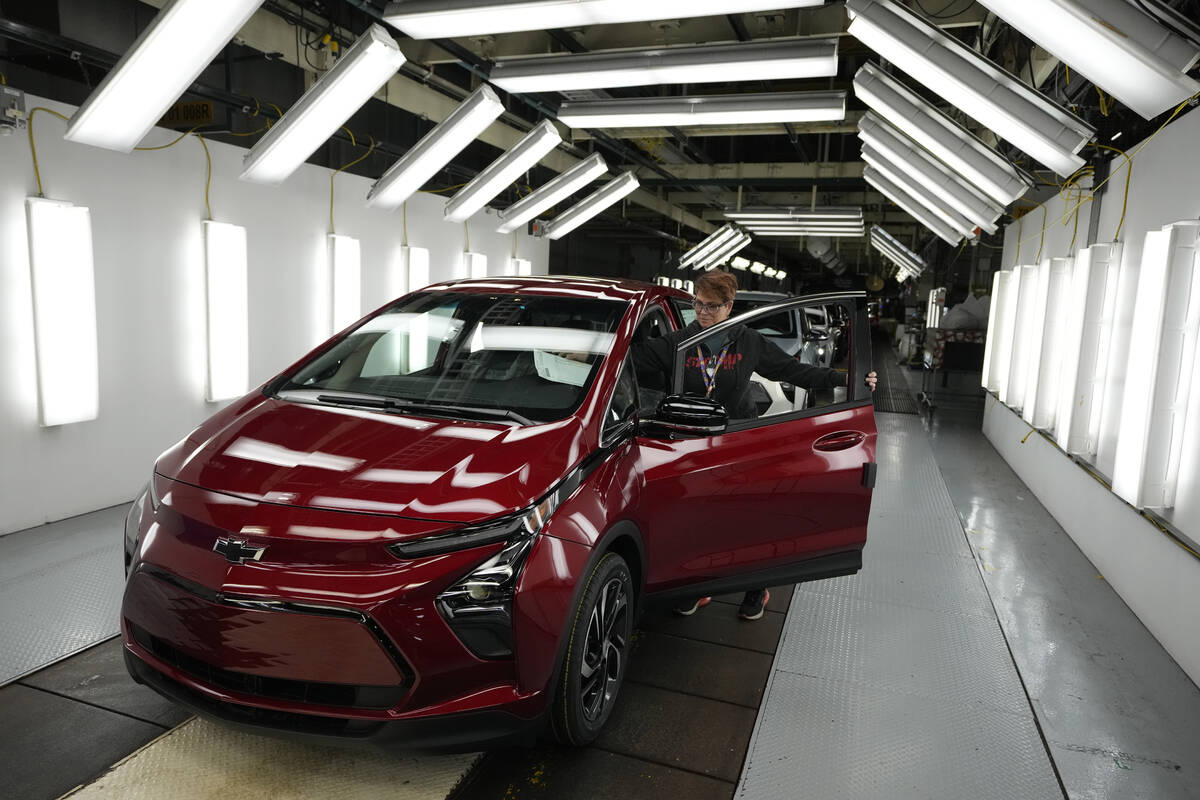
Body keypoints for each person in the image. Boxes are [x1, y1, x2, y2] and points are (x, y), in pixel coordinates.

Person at [635, 269, 877, 620]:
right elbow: (632, 357)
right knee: (697, 517)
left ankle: (756, 587)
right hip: (692, 442)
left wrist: (847, 378)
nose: (702, 313)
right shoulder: (678, 343)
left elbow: (794, 371)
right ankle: (697, 586)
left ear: (729, 306)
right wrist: (583, 355)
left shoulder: (749, 342)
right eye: (698, 304)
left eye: (711, 307)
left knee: (745, 515)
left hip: (738, 437)